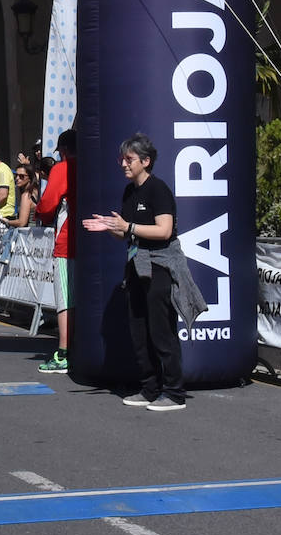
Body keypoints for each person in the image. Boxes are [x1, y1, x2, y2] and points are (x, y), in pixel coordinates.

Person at [83, 133, 205, 412]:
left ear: (145, 161)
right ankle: (150, 388)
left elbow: (163, 230)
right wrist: (110, 227)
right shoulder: (130, 191)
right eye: (121, 159)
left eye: (129, 159)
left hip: (160, 265)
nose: (123, 164)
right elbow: (126, 232)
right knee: (139, 330)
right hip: (136, 265)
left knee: (161, 330)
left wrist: (128, 228)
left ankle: (174, 393)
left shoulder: (157, 189)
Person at [35, 130, 76, 374]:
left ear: (63, 150)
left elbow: (48, 203)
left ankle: (63, 352)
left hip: (67, 242)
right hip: (96, 241)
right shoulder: (96, 163)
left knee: (65, 300)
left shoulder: (62, 169)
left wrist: (43, 214)